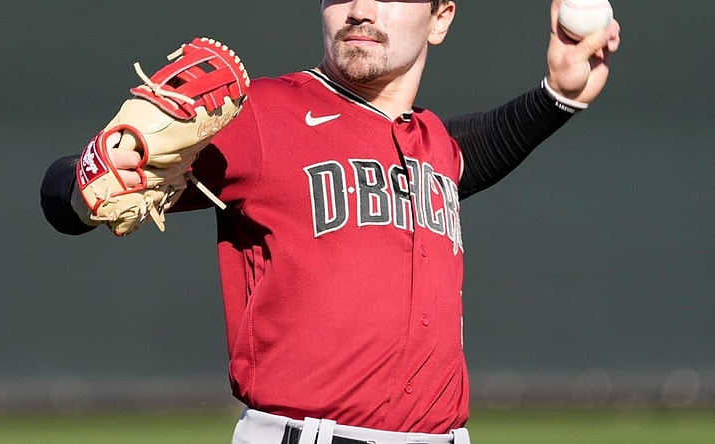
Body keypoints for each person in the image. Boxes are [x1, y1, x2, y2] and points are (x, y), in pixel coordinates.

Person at [40, 1, 621, 443]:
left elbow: (471, 153)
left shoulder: (430, 143)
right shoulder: (264, 116)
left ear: (441, 17)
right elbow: (68, 195)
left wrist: (556, 97)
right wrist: (90, 176)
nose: (360, 9)